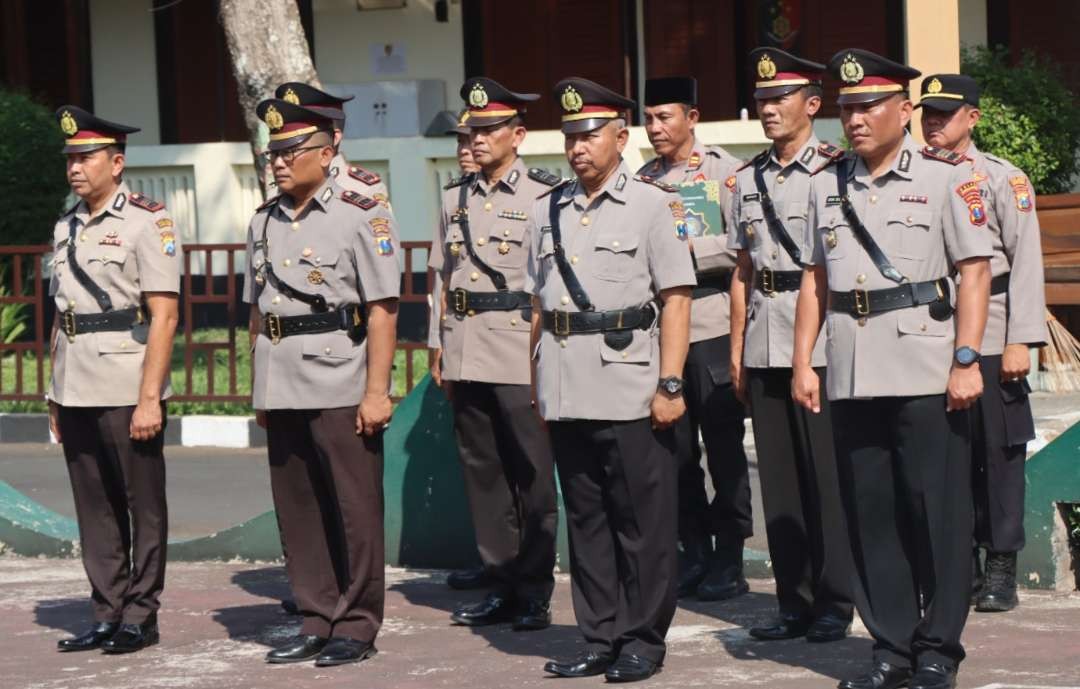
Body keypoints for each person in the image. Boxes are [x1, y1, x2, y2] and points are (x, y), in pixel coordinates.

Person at [792, 49, 993, 689]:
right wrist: (805, 361)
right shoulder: (825, 184)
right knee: (869, 513)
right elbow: (814, 282)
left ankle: (938, 646)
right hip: (851, 369)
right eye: (846, 108)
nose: (853, 119)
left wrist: (966, 358)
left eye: (867, 106)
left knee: (936, 510)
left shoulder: (945, 180)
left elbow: (974, 272)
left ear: (903, 111)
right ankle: (891, 646)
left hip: (927, 368)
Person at [531, 77, 695, 683]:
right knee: (587, 521)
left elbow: (675, 299)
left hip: (629, 384)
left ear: (620, 138)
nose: (577, 147)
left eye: (590, 134)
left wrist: (671, 384)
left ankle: (642, 639)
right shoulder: (547, 209)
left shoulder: (655, 205)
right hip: (567, 385)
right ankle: (597, 635)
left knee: (641, 522)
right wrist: (537, 381)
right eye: (570, 135)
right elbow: (538, 305)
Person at [243, 98, 400, 668]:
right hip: (280, 378)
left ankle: (356, 623)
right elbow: (257, 312)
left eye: (290, 151)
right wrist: (257, 385)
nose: (279, 162)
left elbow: (383, 309)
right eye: (273, 152)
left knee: (354, 508)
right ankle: (316, 614)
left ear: (327, 153)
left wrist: (377, 391)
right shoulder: (262, 219)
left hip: (340, 375)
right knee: (298, 506)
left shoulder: (362, 212)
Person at [728, 47, 853, 643]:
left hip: (823, 344)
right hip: (762, 341)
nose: (768, 108)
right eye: (761, 99)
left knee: (825, 477)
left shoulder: (838, 170)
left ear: (811, 104)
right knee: (778, 484)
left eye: (779, 98)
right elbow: (743, 269)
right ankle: (793, 600)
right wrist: (735, 348)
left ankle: (836, 600)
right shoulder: (745, 178)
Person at [49, 106, 180, 654]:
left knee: (141, 503)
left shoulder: (150, 221)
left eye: (87, 157)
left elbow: (164, 314)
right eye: (71, 159)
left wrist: (150, 398)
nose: (76, 168)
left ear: (117, 163)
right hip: (75, 381)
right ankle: (107, 609)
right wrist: (53, 395)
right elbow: (62, 313)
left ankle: (141, 615)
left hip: (127, 384)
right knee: (94, 505)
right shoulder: (65, 223)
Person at [428, 78, 559, 629]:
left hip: (516, 347)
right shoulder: (451, 196)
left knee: (531, 472)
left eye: (488, 129)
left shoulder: (543, 196)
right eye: (472, 130)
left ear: (518, 135)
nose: (477, 139)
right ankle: (499, 582)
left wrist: (542, 354)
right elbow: (440, 275)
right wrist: (435, 343)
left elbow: (549, 282)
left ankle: (533, 590)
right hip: (464, 346)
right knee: (483, 473)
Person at [917, 74, 1047, 612]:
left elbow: (1025, 263)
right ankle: (958, 564)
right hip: (929, 331)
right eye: (927, 113)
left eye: (945, 114)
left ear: (972, 117)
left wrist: (1021, 340)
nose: (933, 123)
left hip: (992, 326)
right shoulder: (912, 175)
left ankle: (1000, 565)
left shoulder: (1001, 178)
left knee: (997, 452)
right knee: (943, 456)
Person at [637, 76, 752, 601]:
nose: (656, 127)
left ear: (692, 117)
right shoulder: (641, 180)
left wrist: (680, 258)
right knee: (675, 450)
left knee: (724, 448)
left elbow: (742, 251)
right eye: (650, 117)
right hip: (664, 335)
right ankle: (694, 550)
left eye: (666, 117)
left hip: (710, 324)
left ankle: (730, 555)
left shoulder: (726, 173)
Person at [274, 82, 390, 205]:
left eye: (298, 142)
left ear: (334, 137)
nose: (280, 160)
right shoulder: (278, 192)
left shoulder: (363, 190)